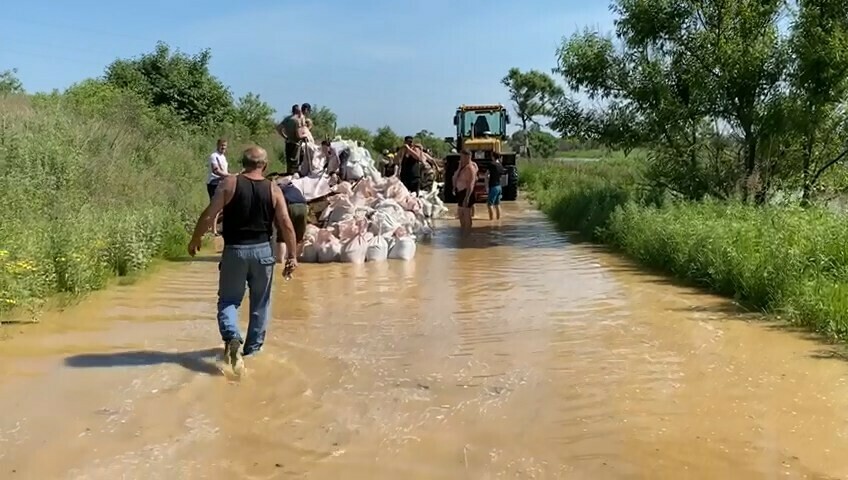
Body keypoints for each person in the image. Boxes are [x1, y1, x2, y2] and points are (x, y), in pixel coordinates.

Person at [187, 146, 299, 376]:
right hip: (263, 253)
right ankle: (252, 354)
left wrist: (196, 238)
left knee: (229, 300)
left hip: (235, 251)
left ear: (242, 163)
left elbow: (210, 214)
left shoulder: (229, 184)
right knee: (260, 305)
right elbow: (286, 224)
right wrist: (292, 255)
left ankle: (232, 337)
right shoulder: (273, 189)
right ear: (265, 166)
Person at [273, 176, 309, 261]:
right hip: (303, 207)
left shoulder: (278, 189)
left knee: (282, 234)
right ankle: (294, 259)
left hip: (289, 206)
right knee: (298, 235)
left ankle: (280, 260)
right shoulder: (296, 189)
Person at [206, 138, 229, 235]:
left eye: (225, 146)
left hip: (222, 182)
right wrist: (228, 176)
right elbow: (216, 170)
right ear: (218, 145)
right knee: (216, 206)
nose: (223, 147)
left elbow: (224, 171)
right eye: (222, 145)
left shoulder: (223, 157)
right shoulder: (214, 156)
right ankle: (212, 230)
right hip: (214, 183)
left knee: (222, 207)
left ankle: (215, 228)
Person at [452, 149, 478, 232]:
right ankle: (463, 232)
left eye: (462, 157)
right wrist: (459, 167)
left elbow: (471, 183)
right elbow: (454, 177)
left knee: (466, 215)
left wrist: (467, 197)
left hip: (467, 192)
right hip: (460, 191)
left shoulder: (470, 168)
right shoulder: (462, 166)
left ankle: (468, 234)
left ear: (468, 157)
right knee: (460, 214)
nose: (461, 158)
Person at [276, 105, 305, 175]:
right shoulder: (297, 121)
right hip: (295, 143)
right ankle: (293, 177)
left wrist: (284, 136)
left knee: (289, 161)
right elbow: (298, 134)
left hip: (288, 141)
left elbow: (278, 128)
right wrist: (304, 136)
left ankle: (288, 174)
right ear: (298, 111)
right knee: (295, 162)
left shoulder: (287, 119)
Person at [486, 153, 506, 220]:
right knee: (497, 204)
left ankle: (491, 220)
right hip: (499, 187)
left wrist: (486, 187)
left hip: (493, 186)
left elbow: (486, 175)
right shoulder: (500, 165)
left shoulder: (492, 165)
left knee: (489, 204)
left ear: (493, 157)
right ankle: (498, 220)